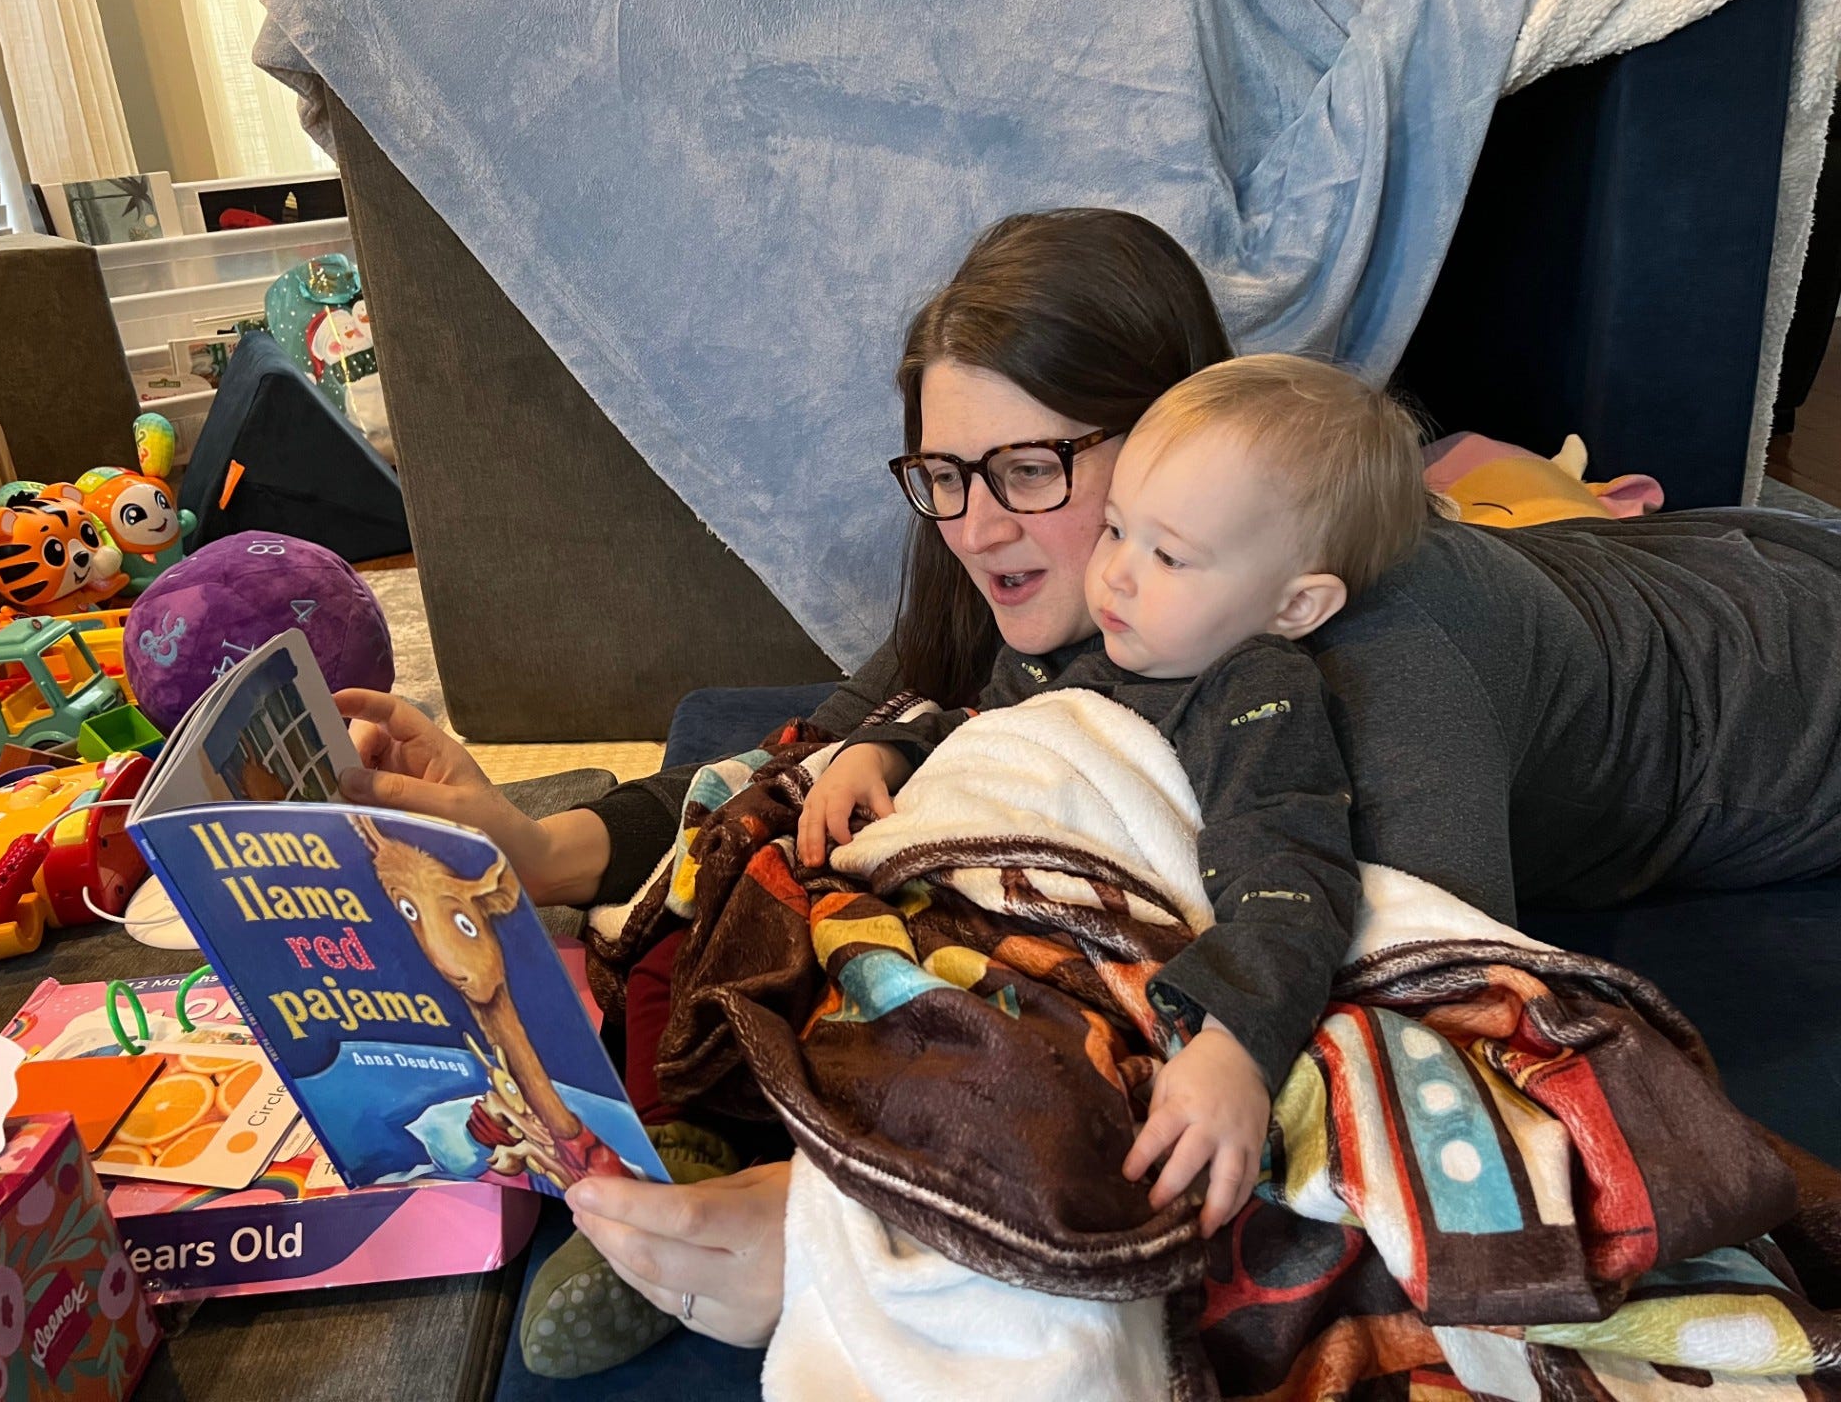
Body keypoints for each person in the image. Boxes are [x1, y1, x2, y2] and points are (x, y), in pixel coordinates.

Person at [336, 205, 1841, 1363]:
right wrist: (545, 841)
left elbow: (1412, 1030)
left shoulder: (1378, 658)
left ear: (1175, 434)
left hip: (1801, 687)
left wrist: (866, 1228)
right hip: (1654, 568)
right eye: (943, 475)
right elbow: (842, 731)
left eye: (1030, 470)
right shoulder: (1085, 552)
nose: (978, 528)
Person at [797, 355, 1434, 1224]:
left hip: (1070, 948)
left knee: (1021, 1089)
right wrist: (885, 752)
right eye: (1115, 530)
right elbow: (984, 734)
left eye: (1168, 554)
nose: (1117, 575)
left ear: (1295, 607)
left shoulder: (1255, 693)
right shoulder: (1081, 647)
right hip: (944, 895)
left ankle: (843, 1204)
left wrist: (1235, 1048)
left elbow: (1288, 875)